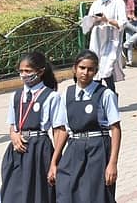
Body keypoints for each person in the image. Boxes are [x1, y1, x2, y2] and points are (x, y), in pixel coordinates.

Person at [49, 50, 121, 203]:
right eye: (82, 68)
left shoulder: (105, 94)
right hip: (74, 149)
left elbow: (115, 128)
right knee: (66, 193)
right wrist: (54, 162)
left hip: (98, 149)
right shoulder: (67, 95)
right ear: (75, 68)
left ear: (95, 71)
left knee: (95, 196)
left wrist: (112, 163)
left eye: (90, 69)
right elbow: (63, 130)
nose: (85, 72)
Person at [1, 52, 64, 203]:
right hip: (17, 150)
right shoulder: (16, 96)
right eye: (21, 71)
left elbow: (59, 130)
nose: (24, 75)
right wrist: (14, 135)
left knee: (39, 194)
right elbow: (12, 125)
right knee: (12, 194)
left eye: (28, 71)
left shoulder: (51, 96)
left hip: (39, 150)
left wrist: (55, 161)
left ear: (40, 71)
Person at [85, 0, 127, 93]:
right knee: (97, 72)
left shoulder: (118, 3)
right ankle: (97, 98)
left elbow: (122, 23)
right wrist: (92, 20)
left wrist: (107, 20)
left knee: (107, 70)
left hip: (112, 42)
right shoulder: (96, 4)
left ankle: (112, 95)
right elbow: (87, 24)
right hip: (97, 42)